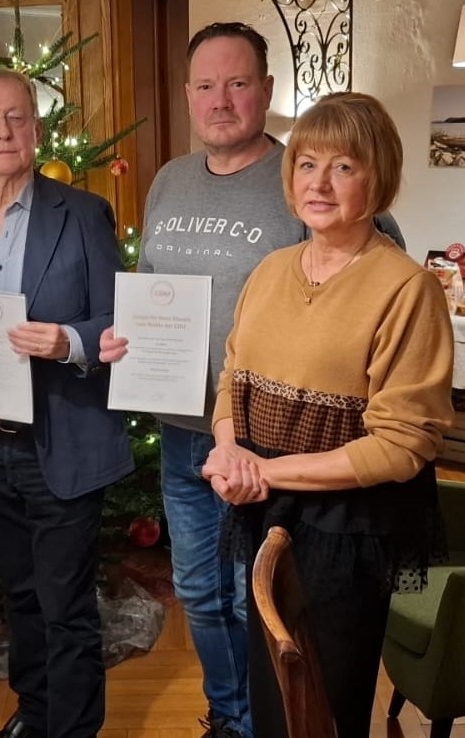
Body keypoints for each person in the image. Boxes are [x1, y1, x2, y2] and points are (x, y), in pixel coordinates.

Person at [97, 23, 405, 738]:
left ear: (265, 91)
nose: (220, 100)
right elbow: (151, 293)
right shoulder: (169, 179)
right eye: (205, 85)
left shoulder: (302, 173)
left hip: (273, 449)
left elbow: (366, 276)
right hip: (188, 437)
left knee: (252, 598)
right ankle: (229, 720)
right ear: (186, 95)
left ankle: (271, 725)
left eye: (237, 83)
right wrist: (125, 339)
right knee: (201, 595)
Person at [202, 91, 452, 738]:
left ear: (378, 177)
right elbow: (232, 378)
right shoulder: (270, 270)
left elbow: (402, 446)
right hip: (262, 515)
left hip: (344, 532)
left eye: (343, 166)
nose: (318, 182)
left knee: (322, 709)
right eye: (307, 163)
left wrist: (264, 470)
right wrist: (229, 451)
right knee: (271, 701)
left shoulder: (404, 288)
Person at [0, 68, 134, 738]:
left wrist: (68, 340)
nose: (3, 131)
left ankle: (71, 730)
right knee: (20, 596)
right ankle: (35, 710)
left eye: (15, 117)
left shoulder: (83, 213)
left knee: (65, 602)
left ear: (36, 130)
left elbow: (116, 323)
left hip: (62, 440)